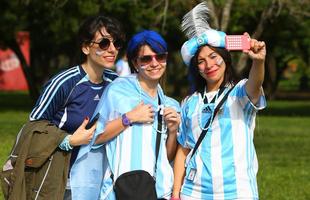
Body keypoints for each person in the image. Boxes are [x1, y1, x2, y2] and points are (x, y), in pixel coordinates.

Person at [171, 3, 267, 199]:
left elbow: (255, 85)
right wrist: (175, 192)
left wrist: (258, 61)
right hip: (193, 192)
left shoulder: (239, 93)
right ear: (196, 68)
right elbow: (183, 150)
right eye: (201, 61)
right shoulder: (190, 102)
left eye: (214, 56)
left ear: (225, 57)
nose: (209, 65)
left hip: (237, 192)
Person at [29, 14, 125, 199]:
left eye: (117, 43)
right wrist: (68, 140)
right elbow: (33, 127)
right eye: (104, 43)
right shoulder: (64, 82)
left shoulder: (118, 84)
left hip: (103, 182)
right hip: (63, 182)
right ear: (86, 47)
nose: (112, 49)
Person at [90, 30, 181, 199]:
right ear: (135, 63)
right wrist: (129, 118)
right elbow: (95, 137)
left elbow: (165, 157)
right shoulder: (118, 91)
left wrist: (173, 131)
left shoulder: (171, 105)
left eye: (160, 56)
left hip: (159, 192)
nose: (154, 63)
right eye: (146, 59)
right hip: (120, 191)